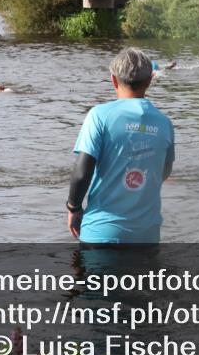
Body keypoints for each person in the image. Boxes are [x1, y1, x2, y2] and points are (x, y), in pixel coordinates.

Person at [67, 47, 175, 246]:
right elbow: (164, 172)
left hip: (101, 233)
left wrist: (73, 208)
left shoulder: (99, 115)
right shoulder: (164, 123)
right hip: (146, 236)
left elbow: (82, 172)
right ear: (150, 80)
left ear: (114, 80)